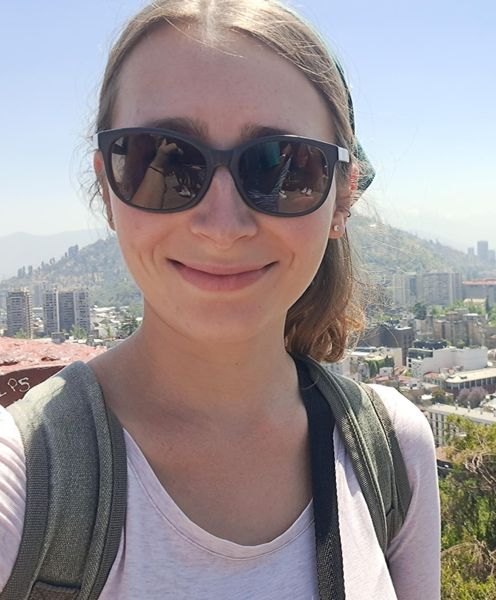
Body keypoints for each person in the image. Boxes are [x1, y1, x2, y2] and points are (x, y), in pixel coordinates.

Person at [0, 1, 440, 599]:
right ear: (108, 187)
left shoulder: (390, 449)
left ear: (342, 198)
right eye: (166, 160)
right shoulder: (29, 471)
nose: (223, 225)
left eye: (284, 168)